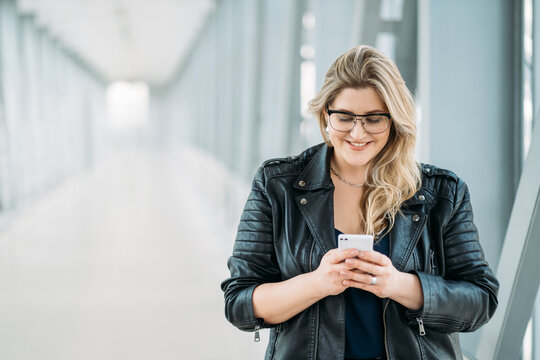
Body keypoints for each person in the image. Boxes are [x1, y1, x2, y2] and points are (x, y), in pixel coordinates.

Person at [221, 45, 499, 360]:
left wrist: (399, 285)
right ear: (326, 114)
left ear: (394, 120)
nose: (357, 132)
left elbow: (481, 299)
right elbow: (239, 303)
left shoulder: (442, 194)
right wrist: (317, 283)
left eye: (373, 119)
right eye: (345, 117)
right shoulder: (277, 185)